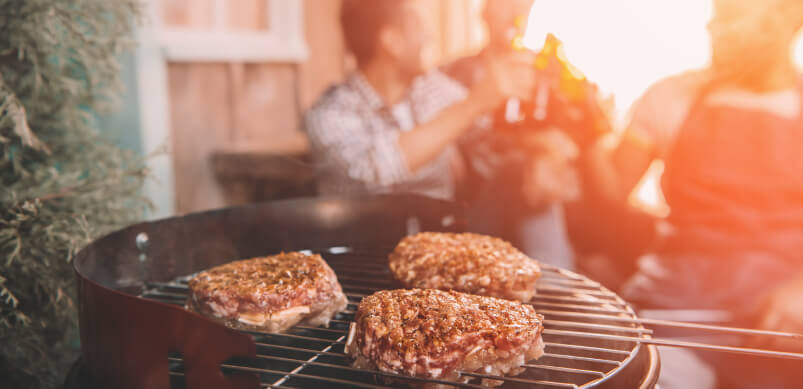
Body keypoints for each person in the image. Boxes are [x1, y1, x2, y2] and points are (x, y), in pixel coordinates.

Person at [587, 0, 803, 387]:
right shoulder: (671, 96)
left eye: (733, 16)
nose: (714, 30)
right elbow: (612, 191)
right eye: (716, 16)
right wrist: (585, 126)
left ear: (786, 17)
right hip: (675, 316)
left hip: (780, 332)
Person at [304, 0, 536, 201]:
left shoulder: (431, 88)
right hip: (363, 244)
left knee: (529, 176)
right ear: (392, 41)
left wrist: (544, 147)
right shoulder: (330, 112)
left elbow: (486, 130)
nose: (429, 38)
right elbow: (369, 174)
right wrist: (473, 105)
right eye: (417, 26)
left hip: (442, 240)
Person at [444, 0, 580, 269]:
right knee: (519, 168)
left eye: (523, 6)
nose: (516, 14)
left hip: (535, 191)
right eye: (505, 4)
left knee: (533, 172)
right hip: (473, 202)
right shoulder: (453, 74)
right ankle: (558, 281)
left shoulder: (545, 70)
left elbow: (566, 137)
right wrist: (536, 146)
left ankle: (556, 274)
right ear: (485, 13)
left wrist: (546, 148)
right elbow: (456, 142)